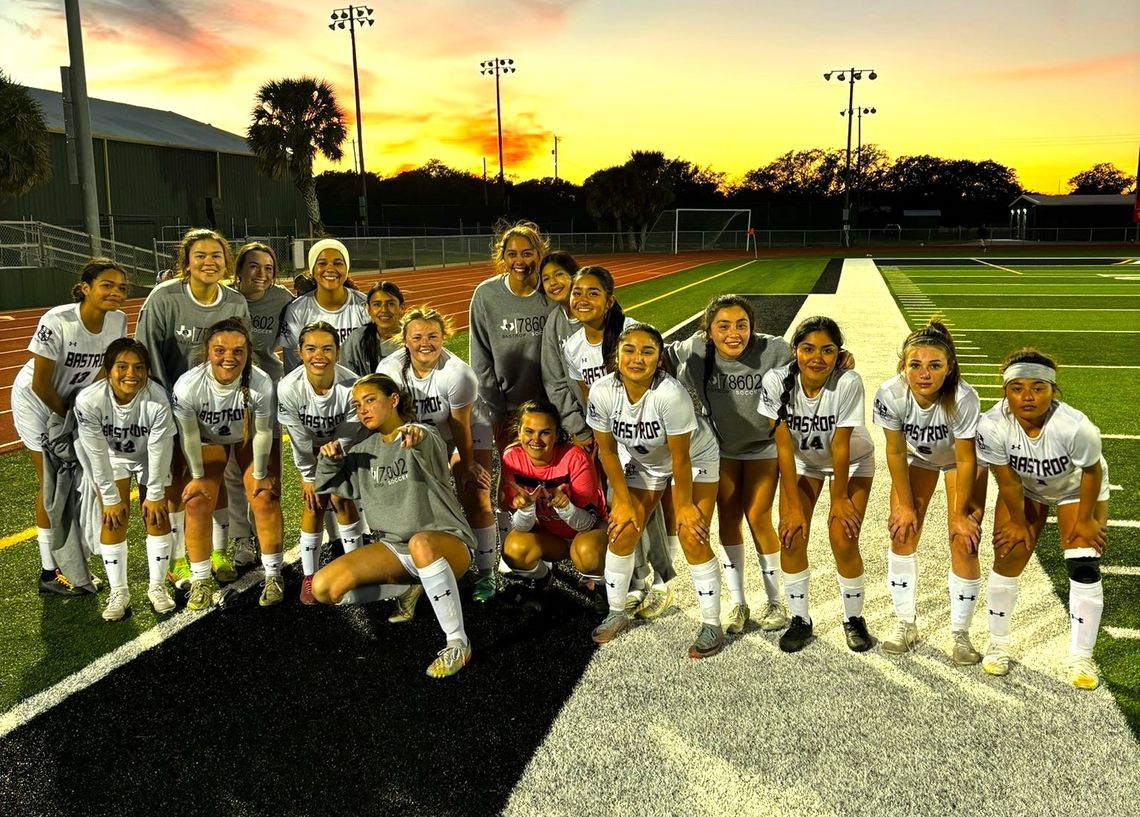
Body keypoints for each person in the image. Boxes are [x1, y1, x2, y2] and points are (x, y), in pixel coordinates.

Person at [311, 374, 476, 679]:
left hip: (447, 546)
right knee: (323, 589)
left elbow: (425, 442)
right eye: (357, 404)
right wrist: (330, 461)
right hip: (396, 551)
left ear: (394, 399)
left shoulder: (423, 433)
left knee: (421, 544)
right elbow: (330, 485)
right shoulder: (363, 451)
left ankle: (457, 642)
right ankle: (411, 586)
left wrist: (415, 436)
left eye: (370, 400)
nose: (363, 409)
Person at [587, 323, 725, 659]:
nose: (637, 358)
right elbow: (606, 451)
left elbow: (679, 459)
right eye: (629, 350)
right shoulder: (602, 391)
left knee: (693, 535)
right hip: (644, 460)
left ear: (658, 358)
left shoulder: (669, 394)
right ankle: (617, 613)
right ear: (616, 356)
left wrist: (686, 506)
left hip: (695, 457)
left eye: (647, 351)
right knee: (621, 531)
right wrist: (622, 501)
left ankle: (712, 623)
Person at [975, 350, 1108, 689]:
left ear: (1053, 390)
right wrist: (1018, 522)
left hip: (1077, 489)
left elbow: (1091, 471)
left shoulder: (1076, 426)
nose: (1028, 396)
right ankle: (998, 644)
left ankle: (1081, 656)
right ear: (1005, 391)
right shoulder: (992, 425)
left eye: (1038, 387)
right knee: (1008, 554)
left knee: (1083, 563)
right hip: (1027, 489)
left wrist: (1087, 520)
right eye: (1017, 388)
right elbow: (1006, 480)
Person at [667, 294, 792, 635]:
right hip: (719, 449)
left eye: (742, 325)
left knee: (759, 517)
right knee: (728, 521)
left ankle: (775, 599)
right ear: (708, 330)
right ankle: (739, 603)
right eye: (723, 326)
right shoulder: (695, 349)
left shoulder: (775, 350)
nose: (733, 333)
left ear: (753, 327)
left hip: (764, 447)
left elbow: (811, 359)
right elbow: (657, 350)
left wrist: (841, 358)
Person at [135, 228, 252, 587]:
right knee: (173, 484)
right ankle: (177, 560)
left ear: (226, 262)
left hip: (215, 409)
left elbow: (243, 355)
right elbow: (146, 352)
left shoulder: (234, 302)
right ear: (185, 262)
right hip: (169, 405)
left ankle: (216, 552)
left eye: (216, 256)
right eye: (199, 255)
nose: (208, 262)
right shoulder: (164, 298)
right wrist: (161, 406)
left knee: (210, 480)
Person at [758, 316, 875, 654]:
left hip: (852, 463)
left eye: (827, 350)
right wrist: (792, 506)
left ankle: (853, 618)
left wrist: (839, 499)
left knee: (842, 535)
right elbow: (782, 446)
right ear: (794, 350)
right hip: (804, 463)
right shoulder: (776, 380)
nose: (817, 357)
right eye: (808, 348)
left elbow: (841, 445)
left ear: (839, 354)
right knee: (791, 536)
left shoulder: (848, 381)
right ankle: (800, 619)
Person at [565, 265, 676, 617]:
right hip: (614, 441)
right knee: (625, 507)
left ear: (610, 300)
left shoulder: (634, 333)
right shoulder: (573, 346)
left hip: (650, 437)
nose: (583, 300)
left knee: (638, 507)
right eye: (577, 293)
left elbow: (666, 381)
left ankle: (653, 581)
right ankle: (646, 578)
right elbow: (590, 398)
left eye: (592, 293)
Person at [13, 258, 128, 594]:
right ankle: (49, 573)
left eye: (121, 287)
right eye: (106, 285)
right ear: (85, 288)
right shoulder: (58, 319)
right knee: (51, 483)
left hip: (70, 404)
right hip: (38, 403)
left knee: (78, 484)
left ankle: (74, 562)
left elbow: (104, 370)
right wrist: (67, 418)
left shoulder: (118, 320)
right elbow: (40, 385)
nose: (116, 293)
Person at [872, 319, 985, 663]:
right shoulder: (890, 393)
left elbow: (966, 459)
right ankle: (905, 623)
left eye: (935, 365)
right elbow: (894, 451)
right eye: (915, 365)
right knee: (902, 531)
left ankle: (961, 635)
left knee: (964, 542)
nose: (924, 374)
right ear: (903, 367)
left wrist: (961, 514)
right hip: (919, 459)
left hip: (960, 464)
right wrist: (904, 505)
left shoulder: (964, 398)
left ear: (949, 369)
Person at [376, 306, 493, 619]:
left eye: (433, 336)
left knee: (474, 494)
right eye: (417, 337)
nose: (425, 343)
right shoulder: (389, 370)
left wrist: (466, 466)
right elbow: (389, 420)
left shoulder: (457, 374)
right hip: (419, 434)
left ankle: (485, 571)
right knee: (412, 498)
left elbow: (459, 426)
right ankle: (418, 573)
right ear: (405, 340)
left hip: (466, 430)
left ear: (445, 337)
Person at [171, 318, 283, 609]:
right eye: (220, 350)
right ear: (207, 352)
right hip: (207, 440)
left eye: (238, 351)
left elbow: (263, 433)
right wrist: (196, 476)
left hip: (248, 436)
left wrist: (259, 475)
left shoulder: (260, 382)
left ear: (247, 353)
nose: (229, 358)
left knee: (264, 496)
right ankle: (200, 581)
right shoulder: (188, 386)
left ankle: (274, 575)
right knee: (196, 500)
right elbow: (190, 436)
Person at [467, 220, 551, 601]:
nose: (520, 260)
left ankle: (562, 542)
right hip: (505, 405)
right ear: (502, 258)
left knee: (559, 473)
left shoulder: (551, 292)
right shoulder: (485, 296)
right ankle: (510, 546)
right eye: (512, 253)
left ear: (539, 254)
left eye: (527, 252)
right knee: (510, 478)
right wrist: (499, 410)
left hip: (551, 406)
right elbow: (479, 357)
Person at [74, 338, 177, 619]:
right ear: (108, 370)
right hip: (111, 457)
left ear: (146, 371)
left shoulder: (157, 398)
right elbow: (95, 451)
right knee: (113, 518)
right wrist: (109, 498)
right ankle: (119, 590)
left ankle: (157, 587)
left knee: (157, 515)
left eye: (138, 367)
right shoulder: (89, 401)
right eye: (122, 366)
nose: (131, 374)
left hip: (148, 457)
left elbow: (160, 448)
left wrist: (155, 494)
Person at [276, 321, 363, 604]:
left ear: (338, 352)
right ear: (300, 352)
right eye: (311, 348)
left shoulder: (353, 386)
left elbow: (348, 434)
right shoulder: (289, 387)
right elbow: (300, 439)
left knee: (342, 499)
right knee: (313, 502)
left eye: (327, 348)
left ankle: (355, 572)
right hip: (310, 448)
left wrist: (331, 465)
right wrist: (309, 476)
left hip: (343, 446)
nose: (319, 355)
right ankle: (309, 577)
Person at [499, 400, 608, 604]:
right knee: (513, 549)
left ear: (557, 434)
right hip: (552, 536)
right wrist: (526, 508)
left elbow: (589, 523)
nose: (535, 439)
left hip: (587, 532)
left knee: (586, 553)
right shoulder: (511, 458)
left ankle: (603, 586)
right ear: (519, 432)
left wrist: (566, 507)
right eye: (529, 431)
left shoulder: (575, 457)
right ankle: (542, 579)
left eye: (545, 432)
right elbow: (523, 527)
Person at [227, 241, 294, 568]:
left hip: (267, 391)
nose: (262, 274)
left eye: (269, 268)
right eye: (254, 266)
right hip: (226, 394)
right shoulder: (223, 300)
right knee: (233, 471)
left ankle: (266, 531)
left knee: (267, 468)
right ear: (238, 270)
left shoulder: (281, 299)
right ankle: (242, 538)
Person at [279, 239, 368, 373]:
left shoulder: (364, 306)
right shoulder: (297, 310)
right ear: (313, 270)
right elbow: (293, 367)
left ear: (346, 269)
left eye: (338, 263)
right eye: (322, 263)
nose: (330, 268)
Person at [339, 281, 405, 376]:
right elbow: (346, 376)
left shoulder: (413, 338)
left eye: (390, 304)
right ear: (369, 309)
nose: (384, 310)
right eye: (377, 304)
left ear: (401, 308)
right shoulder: (357, 339)